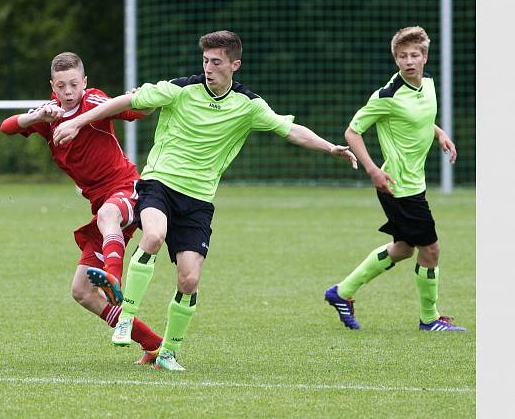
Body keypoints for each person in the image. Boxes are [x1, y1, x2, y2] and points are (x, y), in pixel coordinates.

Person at [53, 31, 358, 370]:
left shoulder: (249, 105)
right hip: (159, 183)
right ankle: (126, 316)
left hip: (198, 200)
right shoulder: (181, 89)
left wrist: (330, 147)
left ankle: (165, 353)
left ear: (234, 65)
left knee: (189, 278)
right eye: (205, 61)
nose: (209, 68)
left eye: (216, 62)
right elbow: (124, 101)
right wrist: (79, 121)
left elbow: (290, 129)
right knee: (153, 234)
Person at [0, 52, 164, 363]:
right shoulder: (48, 116)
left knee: (107, 215)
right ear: (53, 86)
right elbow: (6, 127)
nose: (68, 91)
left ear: (84, 82)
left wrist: (143, 99)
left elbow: (137, 112)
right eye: (61, 86)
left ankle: (113, 278)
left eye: (74, 84)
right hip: (100, 204)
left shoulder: (94, 101)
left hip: (125, 188)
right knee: (82, 291)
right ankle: (153, 344)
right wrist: (36, 118)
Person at [324, 26, 465, 332]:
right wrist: (373, 169)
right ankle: (429, 319)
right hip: (398, 185)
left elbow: (420, 119)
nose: (409, 61)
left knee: (403, 248)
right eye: (402, 56)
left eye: (414, 55)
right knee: (431, 250)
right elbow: (352, 132)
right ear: (396, 60)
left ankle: (342, 292)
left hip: (414, 183)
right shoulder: (387, 95)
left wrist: (439, 134)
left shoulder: (427, 84)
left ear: (425, 57)